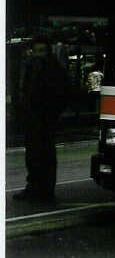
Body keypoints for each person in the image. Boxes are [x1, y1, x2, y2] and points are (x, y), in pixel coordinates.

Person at [13, 36, 68, 202]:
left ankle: (44, 190)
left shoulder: (52, 70)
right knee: (33, 155)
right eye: (36, 51)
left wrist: (51, 114)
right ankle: (35, 188)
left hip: (44, 120)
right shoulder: (35, 67)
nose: (38, 54)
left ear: (47, 52)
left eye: (42, 51)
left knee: (45, 156)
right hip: (34, 119)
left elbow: (61, 94)